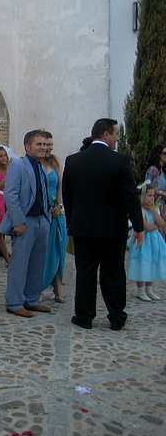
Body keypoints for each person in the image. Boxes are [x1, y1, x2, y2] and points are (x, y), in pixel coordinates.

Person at [63, 118, 144, 331]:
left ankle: (84, 315)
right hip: (112, 229)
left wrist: (72, 223)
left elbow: (68, 197)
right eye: (116, 133)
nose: (118, 138)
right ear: (106, 134)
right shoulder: (120, 161)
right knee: (114, 273)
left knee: (85, 273)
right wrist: (138, 226)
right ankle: (116, 316)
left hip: (83, 228)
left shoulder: (73, 160)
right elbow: (130, 197)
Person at [0, 130, 51, 318]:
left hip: (41, 220)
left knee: (38, 263)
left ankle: (32, 299)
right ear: (28, 147)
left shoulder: (41, 167)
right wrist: (18, 221)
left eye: (45, 145)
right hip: (25, 221)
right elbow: (11, 196)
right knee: (19, 264)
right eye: (39, 144)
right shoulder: (18, 166)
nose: (43, 148)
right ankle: (14, 302)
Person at [40, 131, 69, 303]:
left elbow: (61, 186)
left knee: (58, 250)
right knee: (43, 252)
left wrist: (60, 205)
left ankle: (58, 288)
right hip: (42, 212)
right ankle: (40, 286)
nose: (48, 148)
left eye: (50, 144)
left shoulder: (55, 161)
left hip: (57, 213)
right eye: (45, 144)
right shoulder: (35, 163)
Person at [128, 184, 166, 301]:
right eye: (149, 196)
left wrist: (154, 211)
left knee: (152, 262)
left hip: (154, 241)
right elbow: (148, 227)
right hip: (143, 240)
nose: (152, 198)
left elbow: (161, 222)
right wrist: (157, 225)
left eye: (153, 196)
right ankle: (140, 289)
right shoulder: (140, 211)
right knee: (142, 262)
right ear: (141, 197)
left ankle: (149, 288)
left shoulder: (156, 210)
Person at [145, 144, 166, 236]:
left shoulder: (162, 171)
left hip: (162, 205)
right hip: (156, 205)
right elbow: (148, 187)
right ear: (159, 155)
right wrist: (162, 193)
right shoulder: (154, 170)